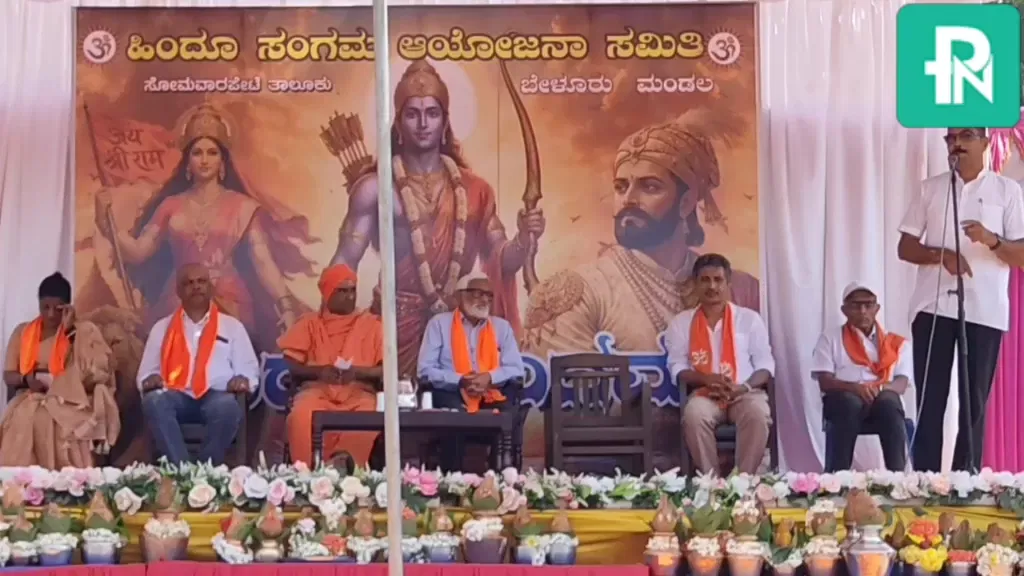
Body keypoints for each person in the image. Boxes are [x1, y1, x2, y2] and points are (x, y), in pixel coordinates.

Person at [521, 117, 758, 467]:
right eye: (621, 187)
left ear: (686, 202)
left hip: (716, 464)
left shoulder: (741, 289)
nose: (628, 199)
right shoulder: (578, 290)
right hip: (607, 474)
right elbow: (541, 422)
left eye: (649, 187)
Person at [329, 61, 545, 376]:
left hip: (457, 327)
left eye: (432, 113)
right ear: (398, 123)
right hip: (392, 326)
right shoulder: (374, 188)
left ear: (444, 122)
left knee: (457, 400)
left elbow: (503, 260)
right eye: (412, 114)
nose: (423, 123)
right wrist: (329, 329)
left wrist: (524, 237)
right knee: (392, 403)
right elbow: (343, 264)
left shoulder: (476, 190)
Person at [897, 127, 1024, 472]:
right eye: (951, 138)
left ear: (985, 143)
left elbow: (1020, 255)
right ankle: (925, 481)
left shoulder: (1006, 191)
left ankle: (964, 482)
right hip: (933, 306)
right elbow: (905, 247)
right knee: (930, 400)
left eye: (966, 136)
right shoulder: (931, 188)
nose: (957, 144)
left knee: (973, 404)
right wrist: (941, 255)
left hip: (984, 310)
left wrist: (992, 240)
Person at [137, 263, 259, 464]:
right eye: (189, 283)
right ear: (178, 291)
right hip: (176, 394)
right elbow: (146, 374)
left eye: (201, 281)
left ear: (211, 287)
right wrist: (150, 379)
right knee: (154, 401)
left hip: (216, 395)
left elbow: (248, 369)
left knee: (228, 407)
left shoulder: (231, 326)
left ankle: (204, 470)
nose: (196, 286)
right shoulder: (162, 328)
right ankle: (183, 470)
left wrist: (242, 380)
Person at [666, 254, 774, 474]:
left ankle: (744, 481)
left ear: (728, 283)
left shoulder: (749, 319)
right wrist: (705, 379)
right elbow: (677, 366)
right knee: (694, 416)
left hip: (744, 392)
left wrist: (742, 387)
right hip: (705, 393)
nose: (712, 286)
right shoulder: (681, 323)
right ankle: (711, 483)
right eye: (705, 280)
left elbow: (765, 365)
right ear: (695, 283)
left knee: (758, 413)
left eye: (718, 280)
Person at [0, 272, 120, 468]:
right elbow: (8, 375)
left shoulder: (83, 331)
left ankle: (68, 479)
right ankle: (26, 479)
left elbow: (94, 372)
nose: (50, 314)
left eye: (57, 309)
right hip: (32, 395)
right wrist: (27, 380)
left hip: (72, 399)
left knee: (54, 418)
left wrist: (69, 331)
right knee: (30, 416)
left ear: (68, 307)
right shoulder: (23, 332)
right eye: (45, 307)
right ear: (38, 304)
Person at [417, 272, 526, 470]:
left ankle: (503, 479)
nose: (485, 299)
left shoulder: (501, 328)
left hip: (491, 392)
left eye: (489, 295)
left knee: (509, 409)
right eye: (478, 293)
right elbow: (425, 370)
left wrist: (489, 377)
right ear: (460, 295)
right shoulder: (439, 324)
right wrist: (461, 380)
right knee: (453, 415)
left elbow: (516, 369)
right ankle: (453, 479)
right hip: (452, 392)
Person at [280, 264, 383, 467]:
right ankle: (305, 475)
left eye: (352, 290)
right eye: (342, 291)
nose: (350, 296)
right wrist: (320, 372)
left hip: (359, 395)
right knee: (300, 415)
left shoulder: (373, 325)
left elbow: (384, 370)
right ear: (327, 293)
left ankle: (345, 470)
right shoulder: (309, 323)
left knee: (368, 416)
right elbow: (292, 366)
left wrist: (357, 373)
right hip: (317, 393)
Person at [811, 283, 912, 472]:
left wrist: (879, 389)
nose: (863, 311)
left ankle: (898, 478)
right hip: (845, 400)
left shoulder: (896, 343)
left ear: (877, 308)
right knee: (849, 403)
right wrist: (855, 388)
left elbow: (902, 382)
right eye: (856, 306)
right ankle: (837, 479)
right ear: (844, 310)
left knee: (889, 402)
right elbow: (825, 381)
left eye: (868, 305)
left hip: (881, 399)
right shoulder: (830, 338)